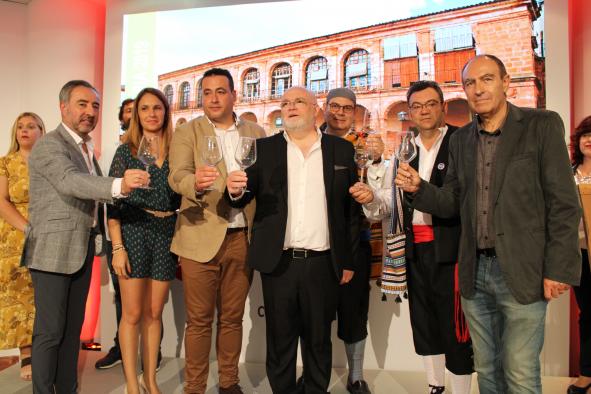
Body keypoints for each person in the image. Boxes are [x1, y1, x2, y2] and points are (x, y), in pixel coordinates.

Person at [393, 55, 581, 394]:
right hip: (474, 272)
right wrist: (418, 189)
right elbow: (451, 201)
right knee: (488, 371)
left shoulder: (542, 125)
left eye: (487, 79)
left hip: (522, 269)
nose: (478, 89)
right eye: (470, 83)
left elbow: (564, 205)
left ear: (506, 82)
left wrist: (559, 268)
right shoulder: (462, 139)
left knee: (521, 372)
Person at [226, 86, 360, 394]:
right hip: (279, 262)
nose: (290, 106)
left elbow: (350, 212)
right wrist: (235, 190)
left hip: (323, 263)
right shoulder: (264, 148)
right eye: (285, 103)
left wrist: (348, 260)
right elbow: (243, 195)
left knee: (318, 341)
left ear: (316, 110)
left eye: (299, 101)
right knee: (280, 341)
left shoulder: (341, 150)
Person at [22, 80, 147, 394]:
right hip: (51, 250)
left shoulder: (86, 147)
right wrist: (117, 185)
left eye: (95, 105)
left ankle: (66, 389)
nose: (89, 112)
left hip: (79, 249)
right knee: (50, 333)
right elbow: (69, 182)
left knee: (71, 332)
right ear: (63, 107)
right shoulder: (49, 144)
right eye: (82, 104)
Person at [352, 81, 473, 394]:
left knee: (457, 327)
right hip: (415, 250)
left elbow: (465, 199)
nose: (424, 111)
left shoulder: (463, 142)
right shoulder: (406, 151)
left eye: (431, 104)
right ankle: (435, 386)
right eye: (417, 106)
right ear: (410, 112)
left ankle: (460, 390)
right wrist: (370, 199)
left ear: (443, 107)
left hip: (454, 249)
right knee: (424, 321)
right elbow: (392, 203)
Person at [168, 67, 265, 394]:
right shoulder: (188, 131)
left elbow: (266, 181)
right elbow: (176, 175)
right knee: (198, 322)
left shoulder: (256, 131)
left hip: (242, 238)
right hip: (198, 237)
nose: (213, 98)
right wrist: (192, 183)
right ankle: (194, 387)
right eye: (206, 92)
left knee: (233, 319)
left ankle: (229, 383)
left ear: (234, 95)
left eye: (220, 91)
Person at [108, 87, 180, 394]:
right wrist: (118, 247)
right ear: (136, 114)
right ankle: (131, 385)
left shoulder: (179, 148)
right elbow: (111, 201)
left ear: (165, 112)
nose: (152, 114)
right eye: (145, 108)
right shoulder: (126, 150)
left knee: (154, 313)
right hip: (134, 229)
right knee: (133, 314)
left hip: (166, 232)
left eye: (157, 108)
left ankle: (150, 380)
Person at [322, 87, 385, 394]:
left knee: (355, 311)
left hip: (354, 241)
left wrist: (376, 161)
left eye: (347, 108)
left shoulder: (366, 147)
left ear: (355, 112)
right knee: (313, 314)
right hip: (315, 244)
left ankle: (356, 376)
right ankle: (314, 375)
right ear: (324, 108)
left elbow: (378, 202)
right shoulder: (307, 141)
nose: (340, 112)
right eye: (334, 106)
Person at [0, 112, 45, 381]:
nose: (24, 131)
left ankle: (46, 352)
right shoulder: (5, 163)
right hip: (14, 236)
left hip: (47, 234)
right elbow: (2, 201)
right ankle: (26, 356)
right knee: (18, 297)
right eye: (20, 127)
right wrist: (26, 227)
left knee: (43, 295)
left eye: (31, 126)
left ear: (42, 130)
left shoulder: (48, 162)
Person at [95, 97, 136, 371]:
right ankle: (121, 348)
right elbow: (103, 191)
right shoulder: (111, 149)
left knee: (147, 301)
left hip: (146, 232)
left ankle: (150, 350)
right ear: (122, 116)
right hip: (116, 232)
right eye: (130, 111)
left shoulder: (158, 149)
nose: (135, 116)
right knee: (121, 294)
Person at [570, 115, 591, 394]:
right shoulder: (568, 173)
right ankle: (586, 372)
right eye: (585, 134)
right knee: (587, 314)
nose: (588, 140)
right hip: (579, 254)